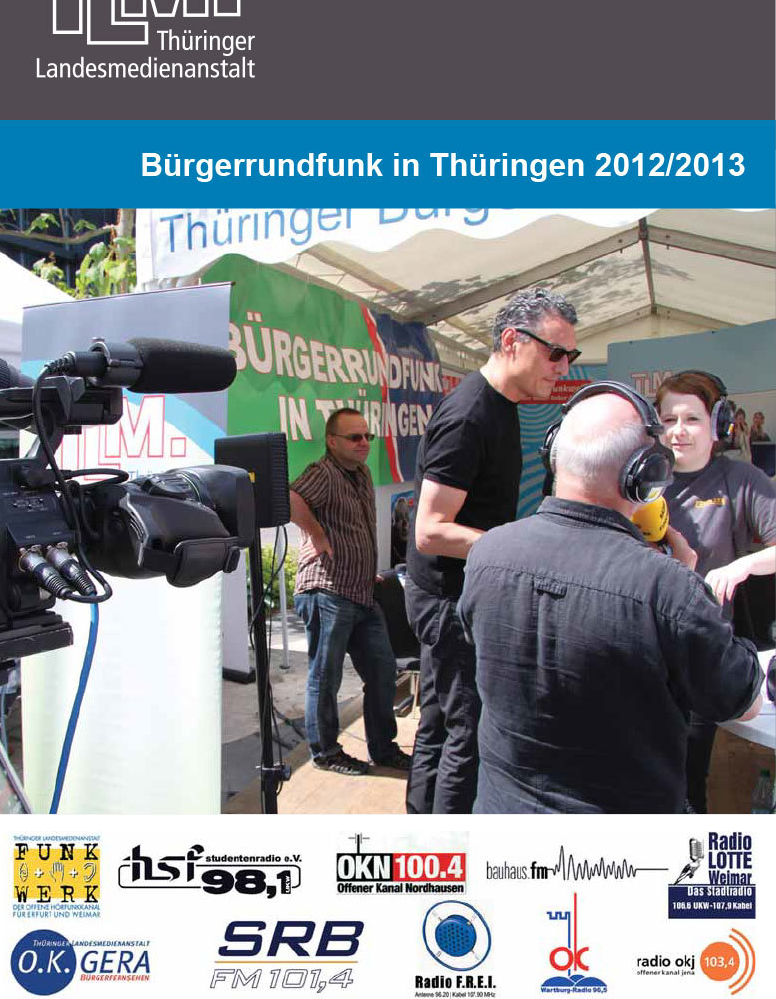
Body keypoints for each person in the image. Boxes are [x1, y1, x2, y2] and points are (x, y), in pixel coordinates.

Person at [458, 383, 763, 814]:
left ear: (554, 456)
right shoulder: (670, 589)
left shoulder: (487, 553)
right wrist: (690, 593)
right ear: (645, 475)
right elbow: (744, 702)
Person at [405, 287, 579, 814]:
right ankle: (453, 850)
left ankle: (422, 831)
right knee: (468, 733)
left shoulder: (502, 405)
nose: (564, 367)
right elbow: (430, 530)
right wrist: (516, 549)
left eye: (570, 355)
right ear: (511, 341)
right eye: (555, 352)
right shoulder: (470, 415)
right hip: (449, 600)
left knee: (439, 723)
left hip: (456, 593)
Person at [655, 371, 776, 812]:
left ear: (717, 424)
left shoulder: (741, 479)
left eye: (692, 419)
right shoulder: (639, 480)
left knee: (687, 783)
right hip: (640, 651)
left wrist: (744, 565)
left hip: (699, 654)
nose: (678, 431)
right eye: (669, 419)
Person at [290, 407, 410, 775]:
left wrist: (365, 569)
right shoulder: (322, 472)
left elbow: (355, 529)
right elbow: (291, 498)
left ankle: (383, 749)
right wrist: (316, 533)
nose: (363, 443)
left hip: (360, 592)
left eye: (367, 436)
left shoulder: (362, 473)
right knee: (326, 678)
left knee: (383, 672)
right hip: (327, 590)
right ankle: (326, 753)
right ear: (331, 441)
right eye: (354, 437)